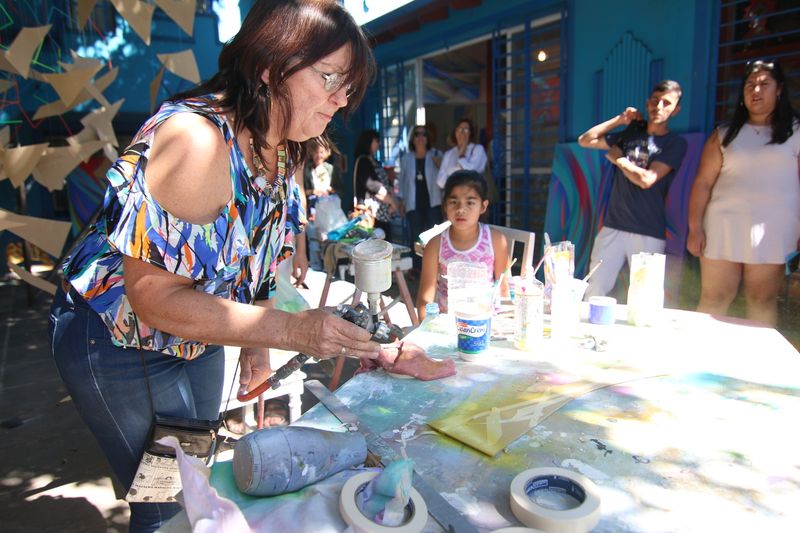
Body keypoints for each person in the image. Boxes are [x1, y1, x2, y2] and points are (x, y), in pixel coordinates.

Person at [48, 1, 380, 531]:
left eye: (349, 86)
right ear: (272, 66)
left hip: (192, 333)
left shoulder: (287, 147)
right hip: (114, 339)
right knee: (168, 504)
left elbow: (263, 260)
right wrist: (294, 330)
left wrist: (256, 344)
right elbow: (154, 297)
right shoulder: (198, 141)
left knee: (195, 475)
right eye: (330, 78)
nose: (342, 100)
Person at [687, 59, 800, 326]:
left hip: (774, 230)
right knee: (715, 297)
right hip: (722, 226)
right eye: (750, 84)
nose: (756, 91)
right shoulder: (724, 134)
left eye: (764, 84)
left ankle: (757, 366)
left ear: (779, 89)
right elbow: (703, 183)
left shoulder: (795, 132)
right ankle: (697, 358)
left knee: (761, 300)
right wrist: (695, 228)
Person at [577, 80, 687, 298]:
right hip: (614, 226)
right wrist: (620, 120)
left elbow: (646, 179)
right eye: (655, 101)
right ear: (647, 103)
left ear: (676, 110)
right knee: (595, 288)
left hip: (648, 230)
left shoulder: (675, 143)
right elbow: (586, 140)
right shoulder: (631, 133)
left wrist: (619, 159)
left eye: (667, 103)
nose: (659, 106)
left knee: (646, 296)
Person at [416, 170, 508, 320]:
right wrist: (427, 331)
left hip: (485, 322)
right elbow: (425, 299)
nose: (460, 209)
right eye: (453, 202)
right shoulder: (435, 245)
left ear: (483, 206)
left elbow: (504, 289)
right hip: (447, 325)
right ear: (445, 205)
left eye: (470, 202)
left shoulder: (496, 241)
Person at [397, 125, 443, 268]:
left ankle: (434, 267)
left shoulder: (436, 154)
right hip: (414, 204)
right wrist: (401, 201)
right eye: (417, 134)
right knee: (417, 238)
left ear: (428, 138)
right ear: (413, 138)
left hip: (433, 204)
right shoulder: (406, 158)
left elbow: (446, 176)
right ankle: (417, 269)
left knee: (434, 237)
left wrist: (440, 164)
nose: (421, 137)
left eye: (424, 134)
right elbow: (402, 181)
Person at [353, 129, 400, 241]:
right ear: (368, 141)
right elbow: (372, 185)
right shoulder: (363, 161)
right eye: (376, 140)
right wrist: (392, 202)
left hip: (382, 215)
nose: (379, 144)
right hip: (371, 216)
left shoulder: (375, 161)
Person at [436, 117, 488, 189]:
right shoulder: (449, 154)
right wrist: (457, 172)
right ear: (455, 132)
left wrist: (461, 156)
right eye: (459, 129)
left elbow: (472, 174)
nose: (462, 132)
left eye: (466, 130)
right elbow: (440, 181)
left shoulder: (478, 149)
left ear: (471, 133)